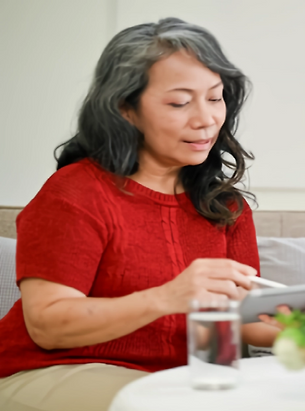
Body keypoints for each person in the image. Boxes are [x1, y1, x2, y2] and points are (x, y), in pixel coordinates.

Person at [0, 17, 282, 411]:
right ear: (125, 109)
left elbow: (241, 320)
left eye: (215, 98)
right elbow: (48, 325)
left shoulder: (225, 205)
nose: (206, 119)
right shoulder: (76, 192)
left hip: (179, 383)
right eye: (179, 102)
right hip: (53, 369)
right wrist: (167, 297)